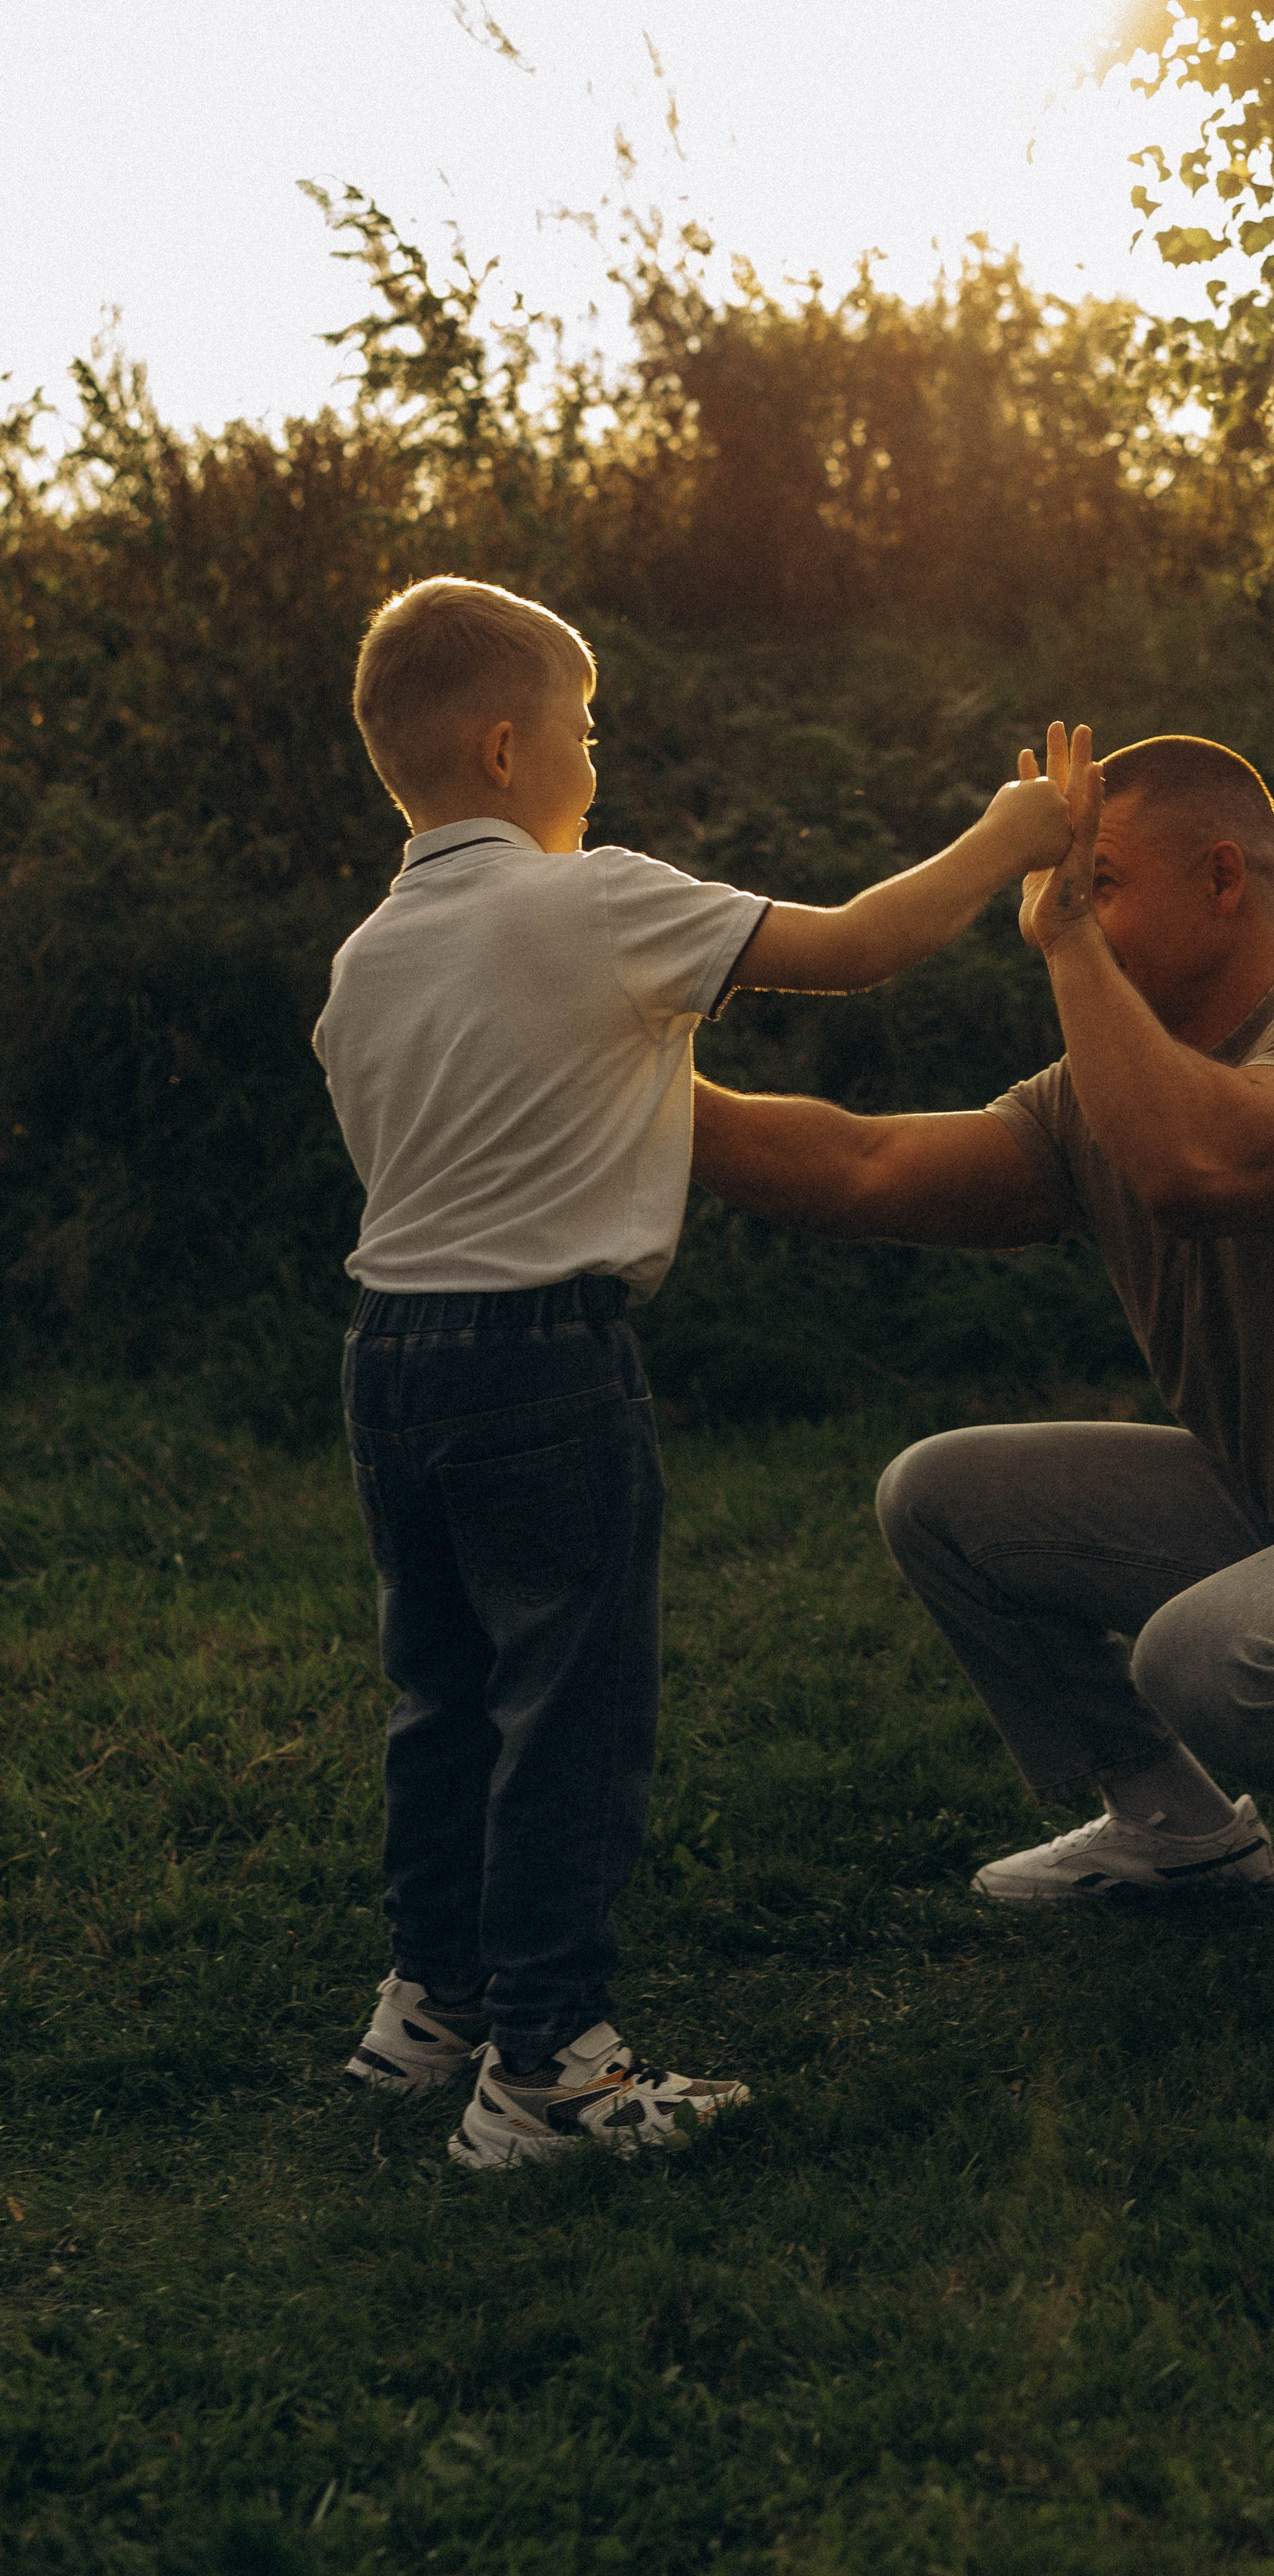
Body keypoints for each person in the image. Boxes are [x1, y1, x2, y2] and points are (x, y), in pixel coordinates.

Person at [314, 574, 1078, 2167]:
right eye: (586, 731)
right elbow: (858, 946)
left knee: (445, 1697)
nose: (598, 762)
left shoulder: (368, 956)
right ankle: (547, 2074)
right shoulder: (584, 899)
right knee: (567, 1710)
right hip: (541, 1363)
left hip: (390, 1358)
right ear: (513, 747)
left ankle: (431, 2006)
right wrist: (1011, 835)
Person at [691, 727, 1274, 1960]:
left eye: (1101, 882)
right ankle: (1175, 1823)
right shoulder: (1104, 1089)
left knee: (1210, 1653)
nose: (1054, 909)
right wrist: (639, 1086)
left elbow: (1199, 1167)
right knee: (941, 1497)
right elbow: (866, 1168)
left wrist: (1069, 942)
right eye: (1061, 888)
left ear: (1225, 880)